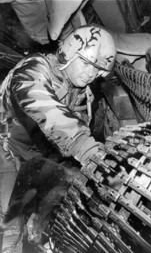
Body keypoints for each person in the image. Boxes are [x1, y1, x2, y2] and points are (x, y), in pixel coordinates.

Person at [0, 24, 116, 253]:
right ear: (70, 52)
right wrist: (91, 152)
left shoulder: (82, 93)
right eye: (86, 63)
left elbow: (76, 132)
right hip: (5, 142)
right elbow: (50, 113)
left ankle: (37, 227)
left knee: (64, 188)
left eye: (97, 70)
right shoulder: (34, 69)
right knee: (9, 214)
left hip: (35, 152)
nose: (90, 74)